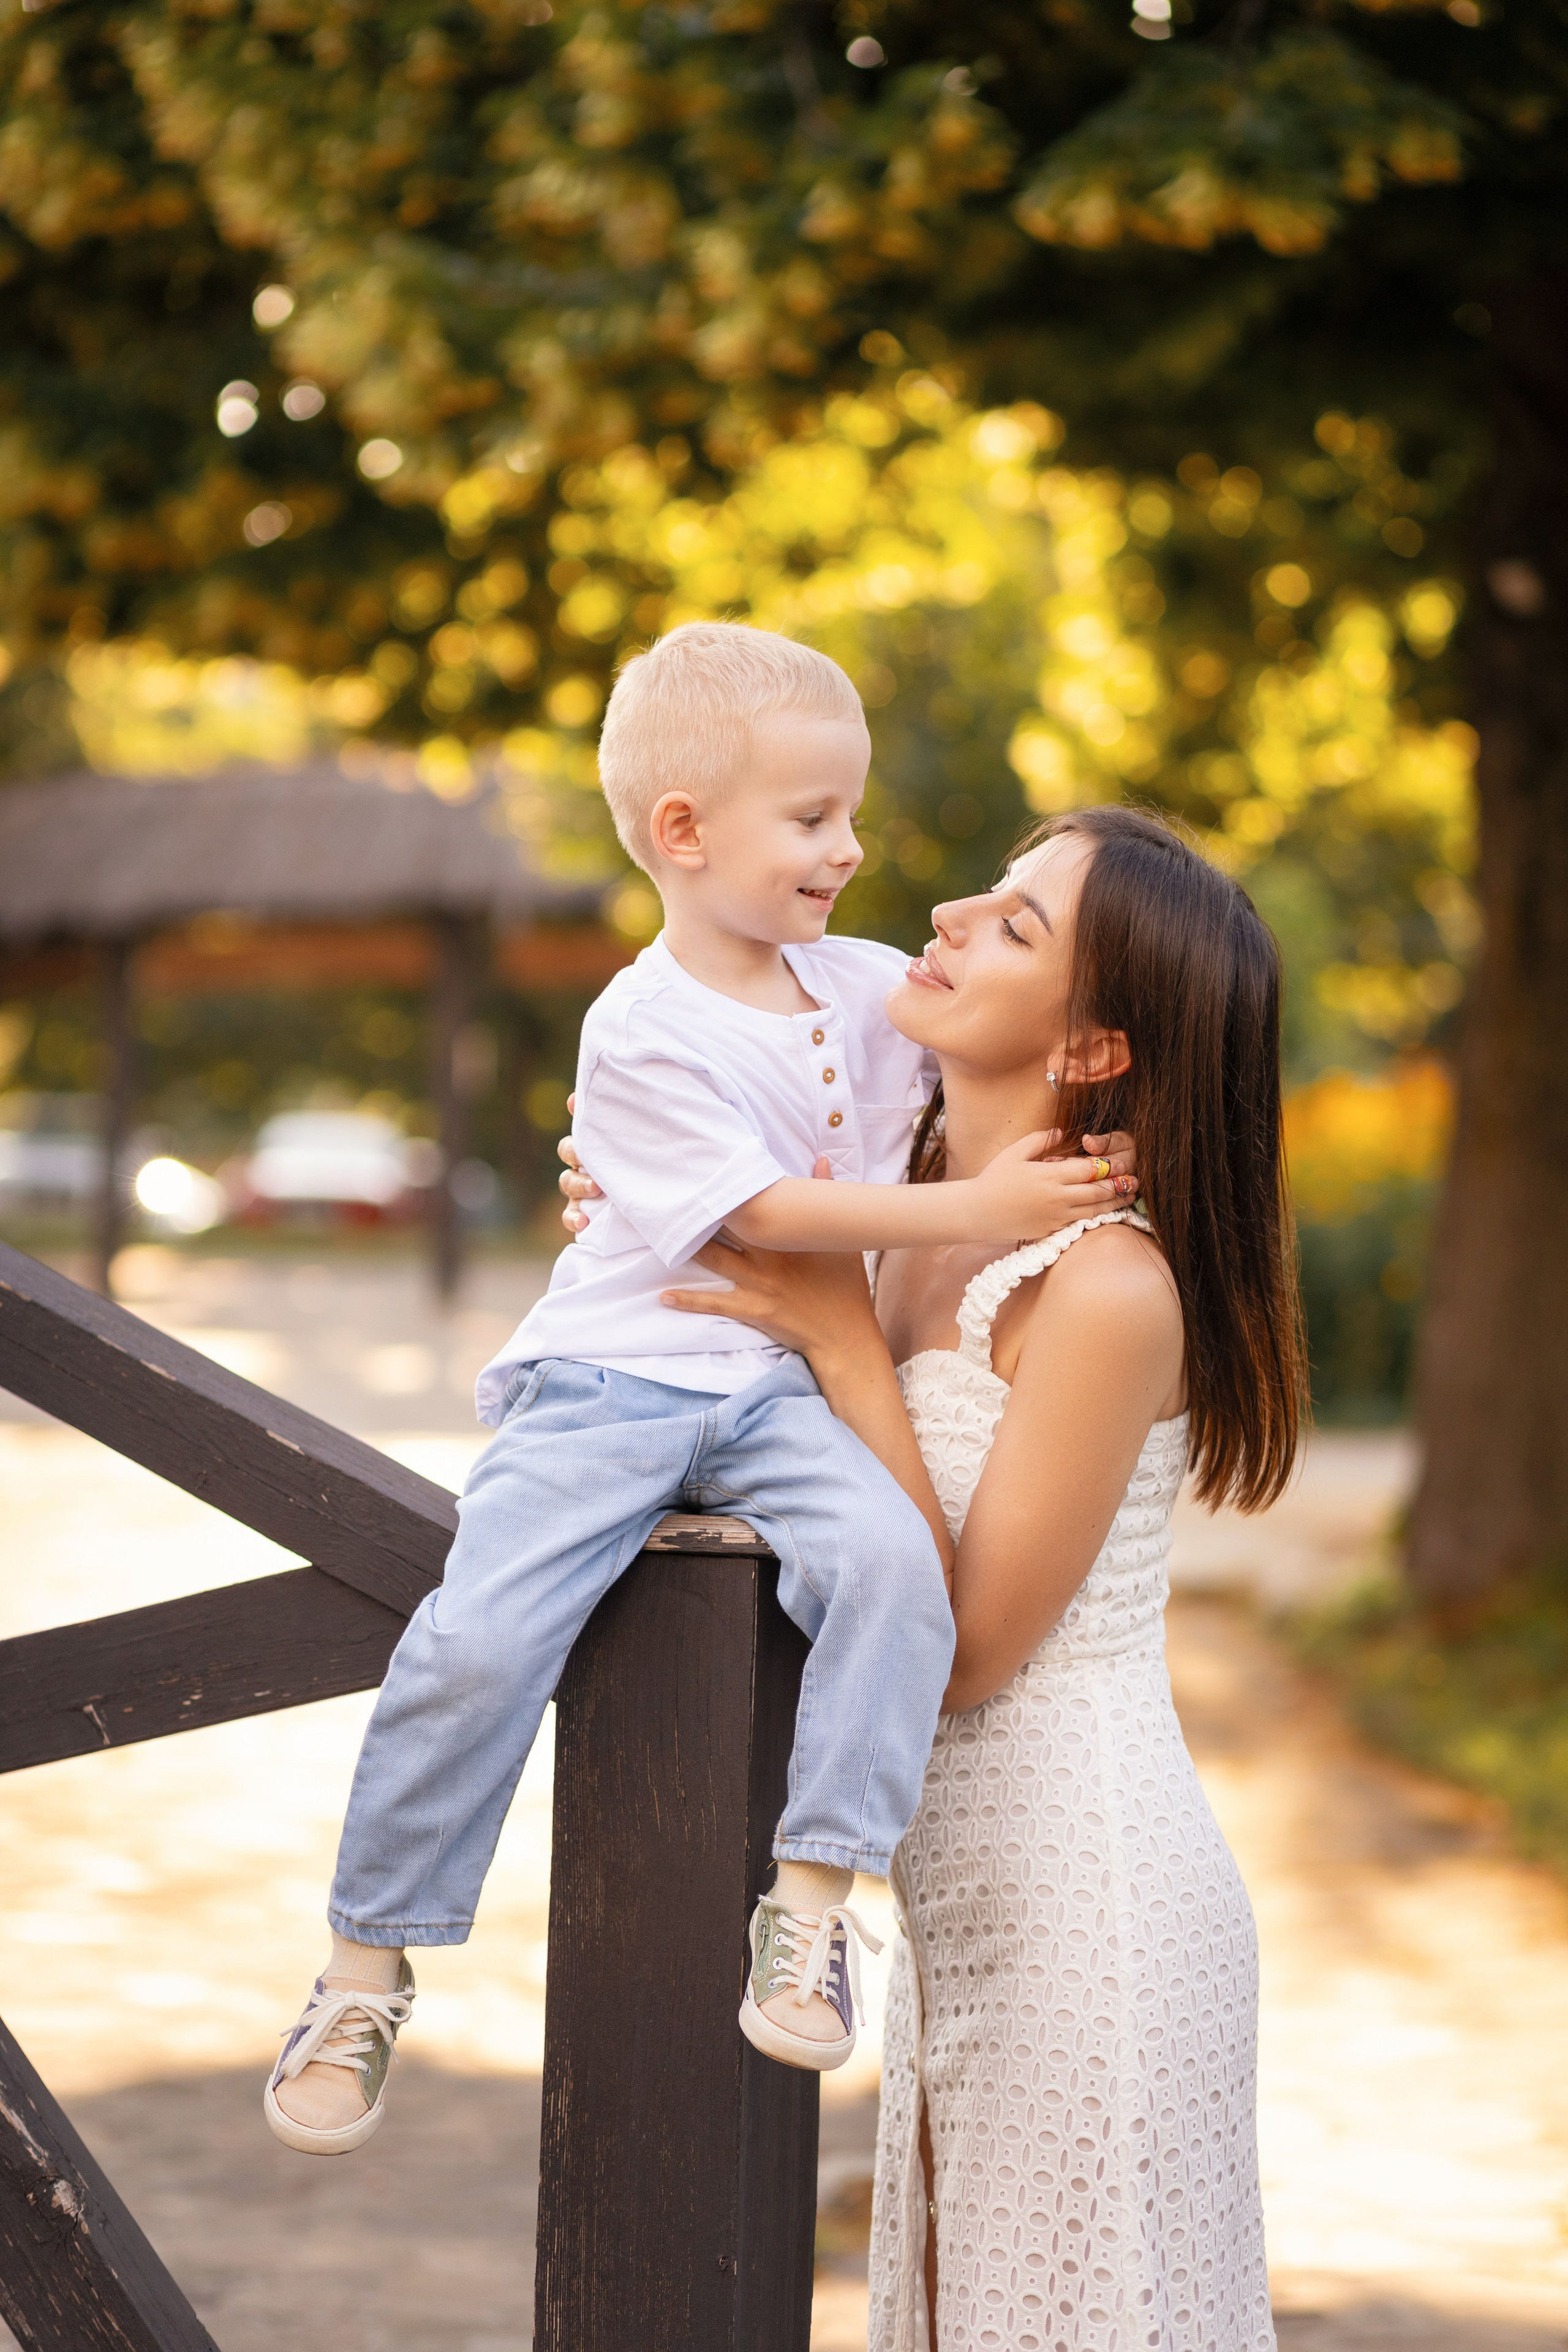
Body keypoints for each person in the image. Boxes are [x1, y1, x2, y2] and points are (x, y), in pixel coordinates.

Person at [265, 624, 1137, 2157]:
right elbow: (768, 1221)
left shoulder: (865, 987)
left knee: (887, 1570)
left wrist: (1084, 1152)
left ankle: (812, 1899)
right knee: (479, 1635)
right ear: (683, 832)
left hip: (788, 1397)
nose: (850, 852)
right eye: (812, 822)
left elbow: (1006, 1063)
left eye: (847, 816)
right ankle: (364, 1959)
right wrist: (976, 1216)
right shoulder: (636, 1027)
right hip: (615, 1387)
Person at [622, 804, 1299, 2350]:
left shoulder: (1106, 1285)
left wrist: (839, 1337)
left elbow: (971, 1648)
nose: (942, 912)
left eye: (1013, 925)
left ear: (1093, 1045)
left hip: (1092, 1912)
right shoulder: (894, 1194)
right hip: (960, 1917)